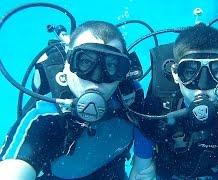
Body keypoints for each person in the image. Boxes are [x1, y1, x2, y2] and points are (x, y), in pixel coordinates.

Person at [0, 21, 149, 180]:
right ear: (67, 62)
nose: (96, 80)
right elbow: (15, 168)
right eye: (85, 62)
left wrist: (143, 163)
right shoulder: (44, 119)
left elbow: (143, 126)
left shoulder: (131, 95)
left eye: (111, 65)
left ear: (123, 72)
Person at [130, 23, 218, 179]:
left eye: (216, 72)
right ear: (175, 73)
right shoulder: (157, 108)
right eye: (190, 71)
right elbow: (142, 170)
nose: (202, 86)